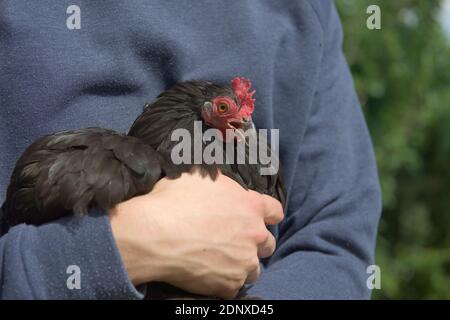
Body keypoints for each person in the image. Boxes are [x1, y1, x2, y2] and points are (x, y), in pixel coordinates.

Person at [0, 0, 381, 299]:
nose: (244, 124)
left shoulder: (300, 10)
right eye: (226, 112)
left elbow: (332, 239)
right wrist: (120, 248)